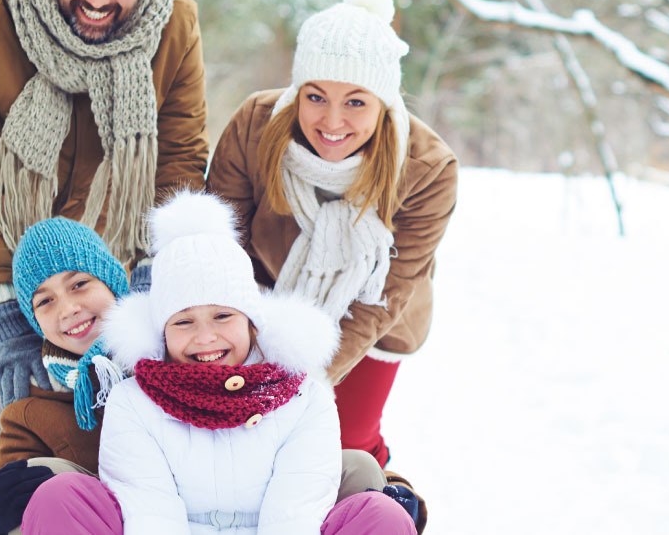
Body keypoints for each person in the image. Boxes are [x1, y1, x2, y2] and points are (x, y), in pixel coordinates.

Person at [0, 0, 210, 530]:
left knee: (111, 408)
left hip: (109, 258)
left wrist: (156, 271)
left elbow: (180, 154)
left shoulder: (174, 23)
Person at [206, 0, 457, 532]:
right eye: (315, 96)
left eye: (356, 102)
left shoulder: (427, 167)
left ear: (385, 103)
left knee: (342, 441)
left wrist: (307, 378)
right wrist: (247, 349)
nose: (332, 121)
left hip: (372, 318)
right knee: (246, 436)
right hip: (265, 296)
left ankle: (384, 507)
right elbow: (223, 250)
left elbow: (390, 292)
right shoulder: (254, 126)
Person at [21, 191, 416, 533]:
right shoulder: (132, 401)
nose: (205, 337)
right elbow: (149, 510)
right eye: (184, 322)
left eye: (223, 316)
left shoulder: (304, 398)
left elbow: (295, 512)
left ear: (252, 322)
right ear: (161, 330)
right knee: (61, 496)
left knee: (382, 515)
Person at [0, 217, 130, 535]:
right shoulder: (30, 414)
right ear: (35, 321)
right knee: (44, 483)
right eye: (46, 301)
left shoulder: (168, 352)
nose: (68, 309)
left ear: (111, 280)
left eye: (79, 284)